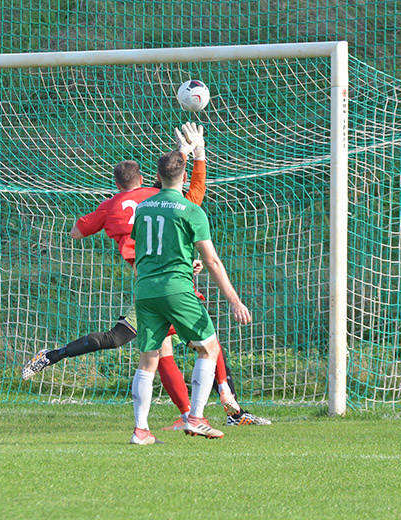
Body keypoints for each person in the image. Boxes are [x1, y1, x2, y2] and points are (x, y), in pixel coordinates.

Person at [22, 124, 270, 426]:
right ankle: (214, 409)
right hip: (172, 281)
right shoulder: (158, 196)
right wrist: (193, 152)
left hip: (147, 282)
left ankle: (185, 416)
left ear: (117, 184)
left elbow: (76, 232)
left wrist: (108, 216)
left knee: (156, 346)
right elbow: (191, 192)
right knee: (203, 341)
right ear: (141, 180)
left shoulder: (115, 206)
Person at [130, 150, 252, 443]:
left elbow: (149, 248)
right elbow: (212, 261)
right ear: (184, 178)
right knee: (209, 349)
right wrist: (234, 299)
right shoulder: (191, 210)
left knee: (149, 359)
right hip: (177, 289)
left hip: (145, 290)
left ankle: (140, 430)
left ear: (157, 178)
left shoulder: (143, 208)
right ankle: (196, 418)